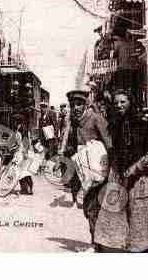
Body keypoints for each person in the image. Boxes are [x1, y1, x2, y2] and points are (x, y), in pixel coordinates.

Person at [93, 90, 148, 252]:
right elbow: (115, 152)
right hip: (120, 179)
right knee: (113, 224)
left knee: (140, 227)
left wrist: (134, 168)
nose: (118, 105)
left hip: (140, 181)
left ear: (130, 102)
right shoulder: (114, 125)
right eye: (116, 102)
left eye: (123, 102)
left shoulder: (142, 124)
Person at [58, 89, 112, 251]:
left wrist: (111, 168)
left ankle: (97, 246)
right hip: (84, 171)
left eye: (79, 104)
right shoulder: (74, 122)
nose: (76, 107)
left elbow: (109, 142)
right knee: (89, 208)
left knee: (92, 207)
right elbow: (73, 147)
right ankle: (97, 244)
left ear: (86, 104)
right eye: (73, 105)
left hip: (99, 169)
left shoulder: (95, 118)